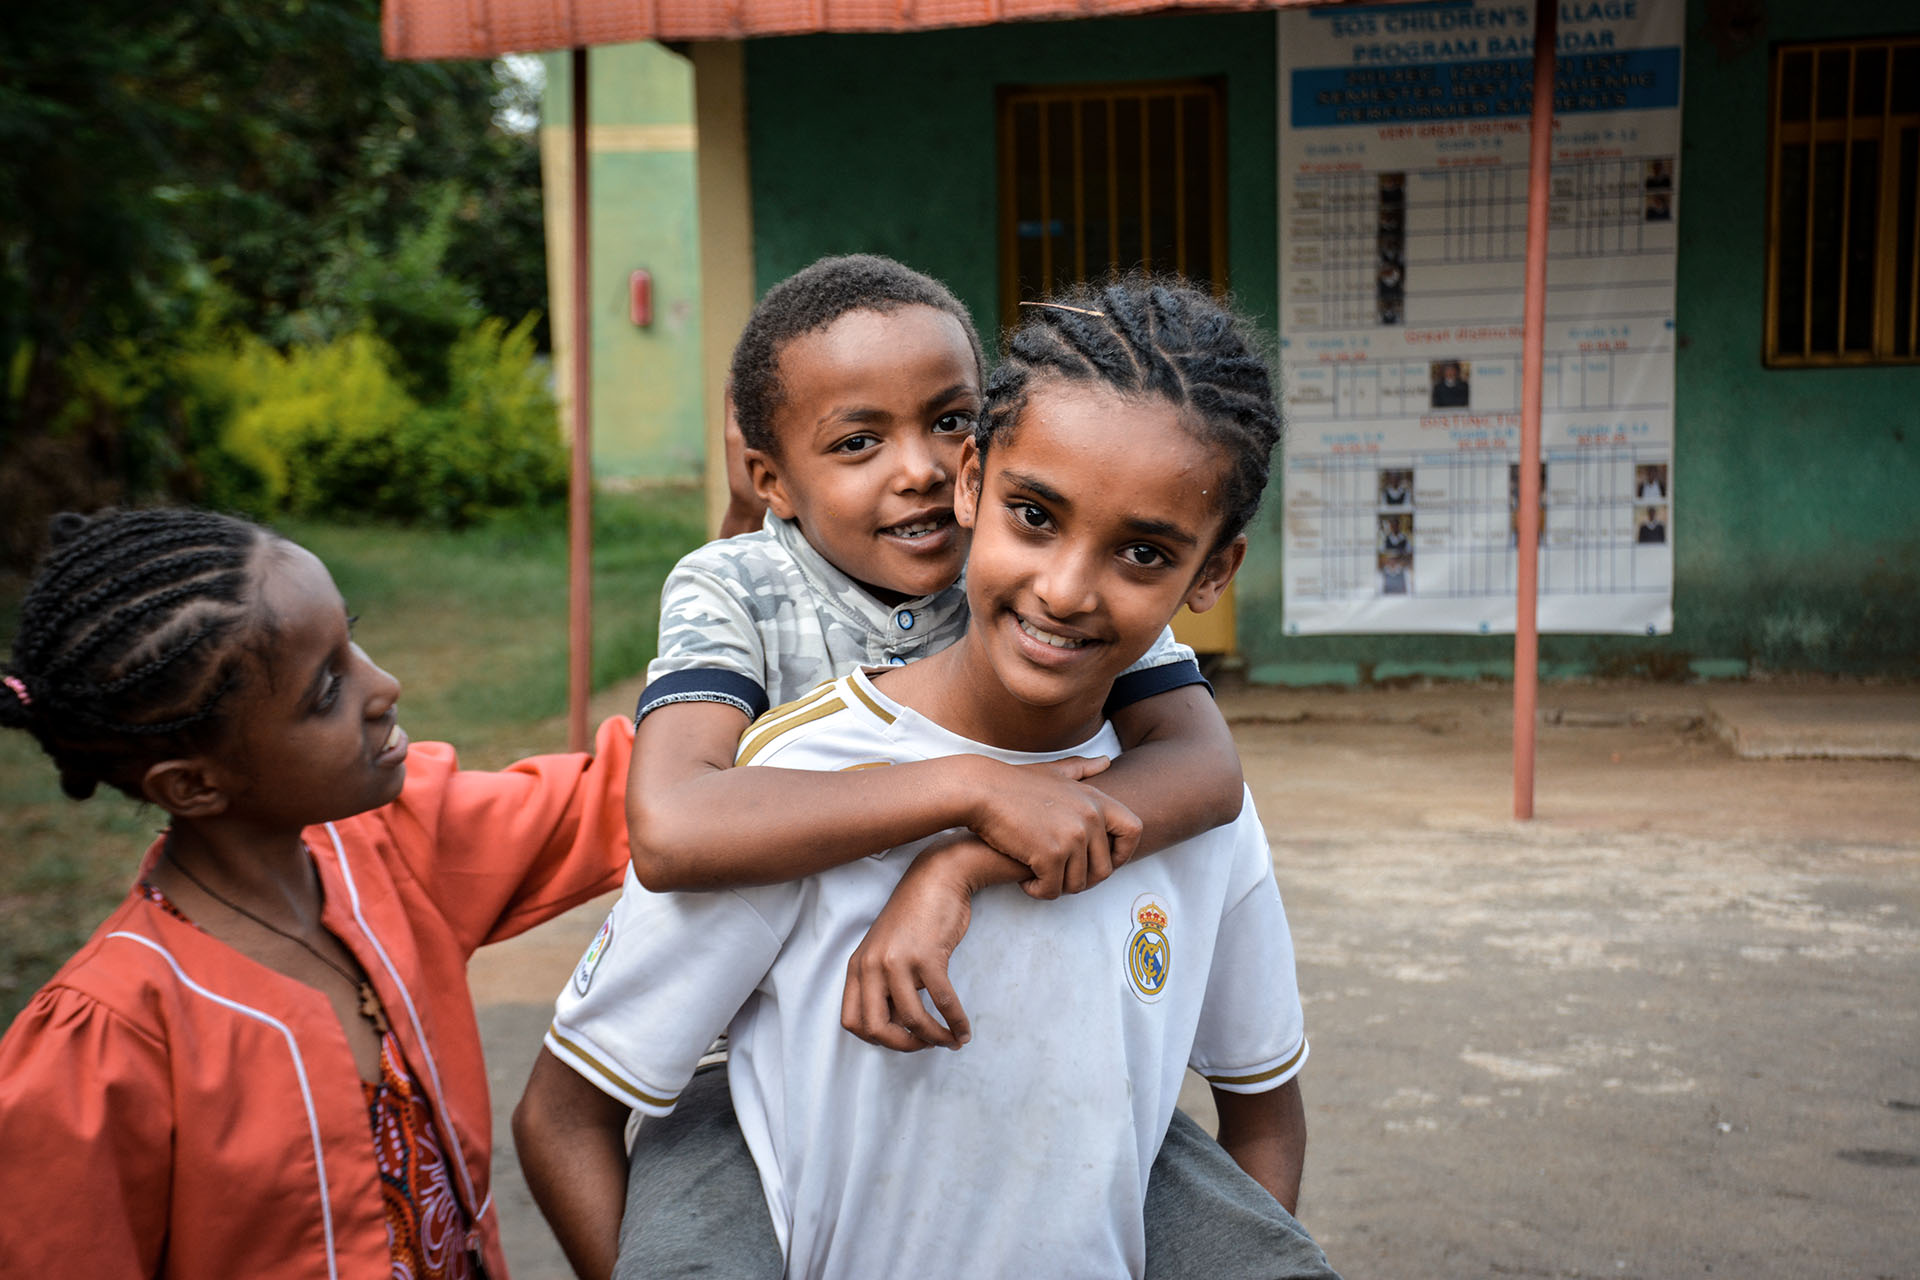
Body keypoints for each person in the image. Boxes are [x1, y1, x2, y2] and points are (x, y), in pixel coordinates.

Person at [515, 255, 1296, 1278]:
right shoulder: (746, 600)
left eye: (946, 421)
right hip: (742, 1059)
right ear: (772, 482)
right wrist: (967, 789)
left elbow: (1209, 774)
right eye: (856, 441)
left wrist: (958, 862)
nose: (919, 469)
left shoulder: (1097, 634)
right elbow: (672, 826)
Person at [0, 508, 635, 1278]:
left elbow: (631, 795)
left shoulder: (397, 846)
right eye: (326, 687)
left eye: (352, 637)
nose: (383, 685)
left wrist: (747, 554)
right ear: (195, 784)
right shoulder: (107, 1045)